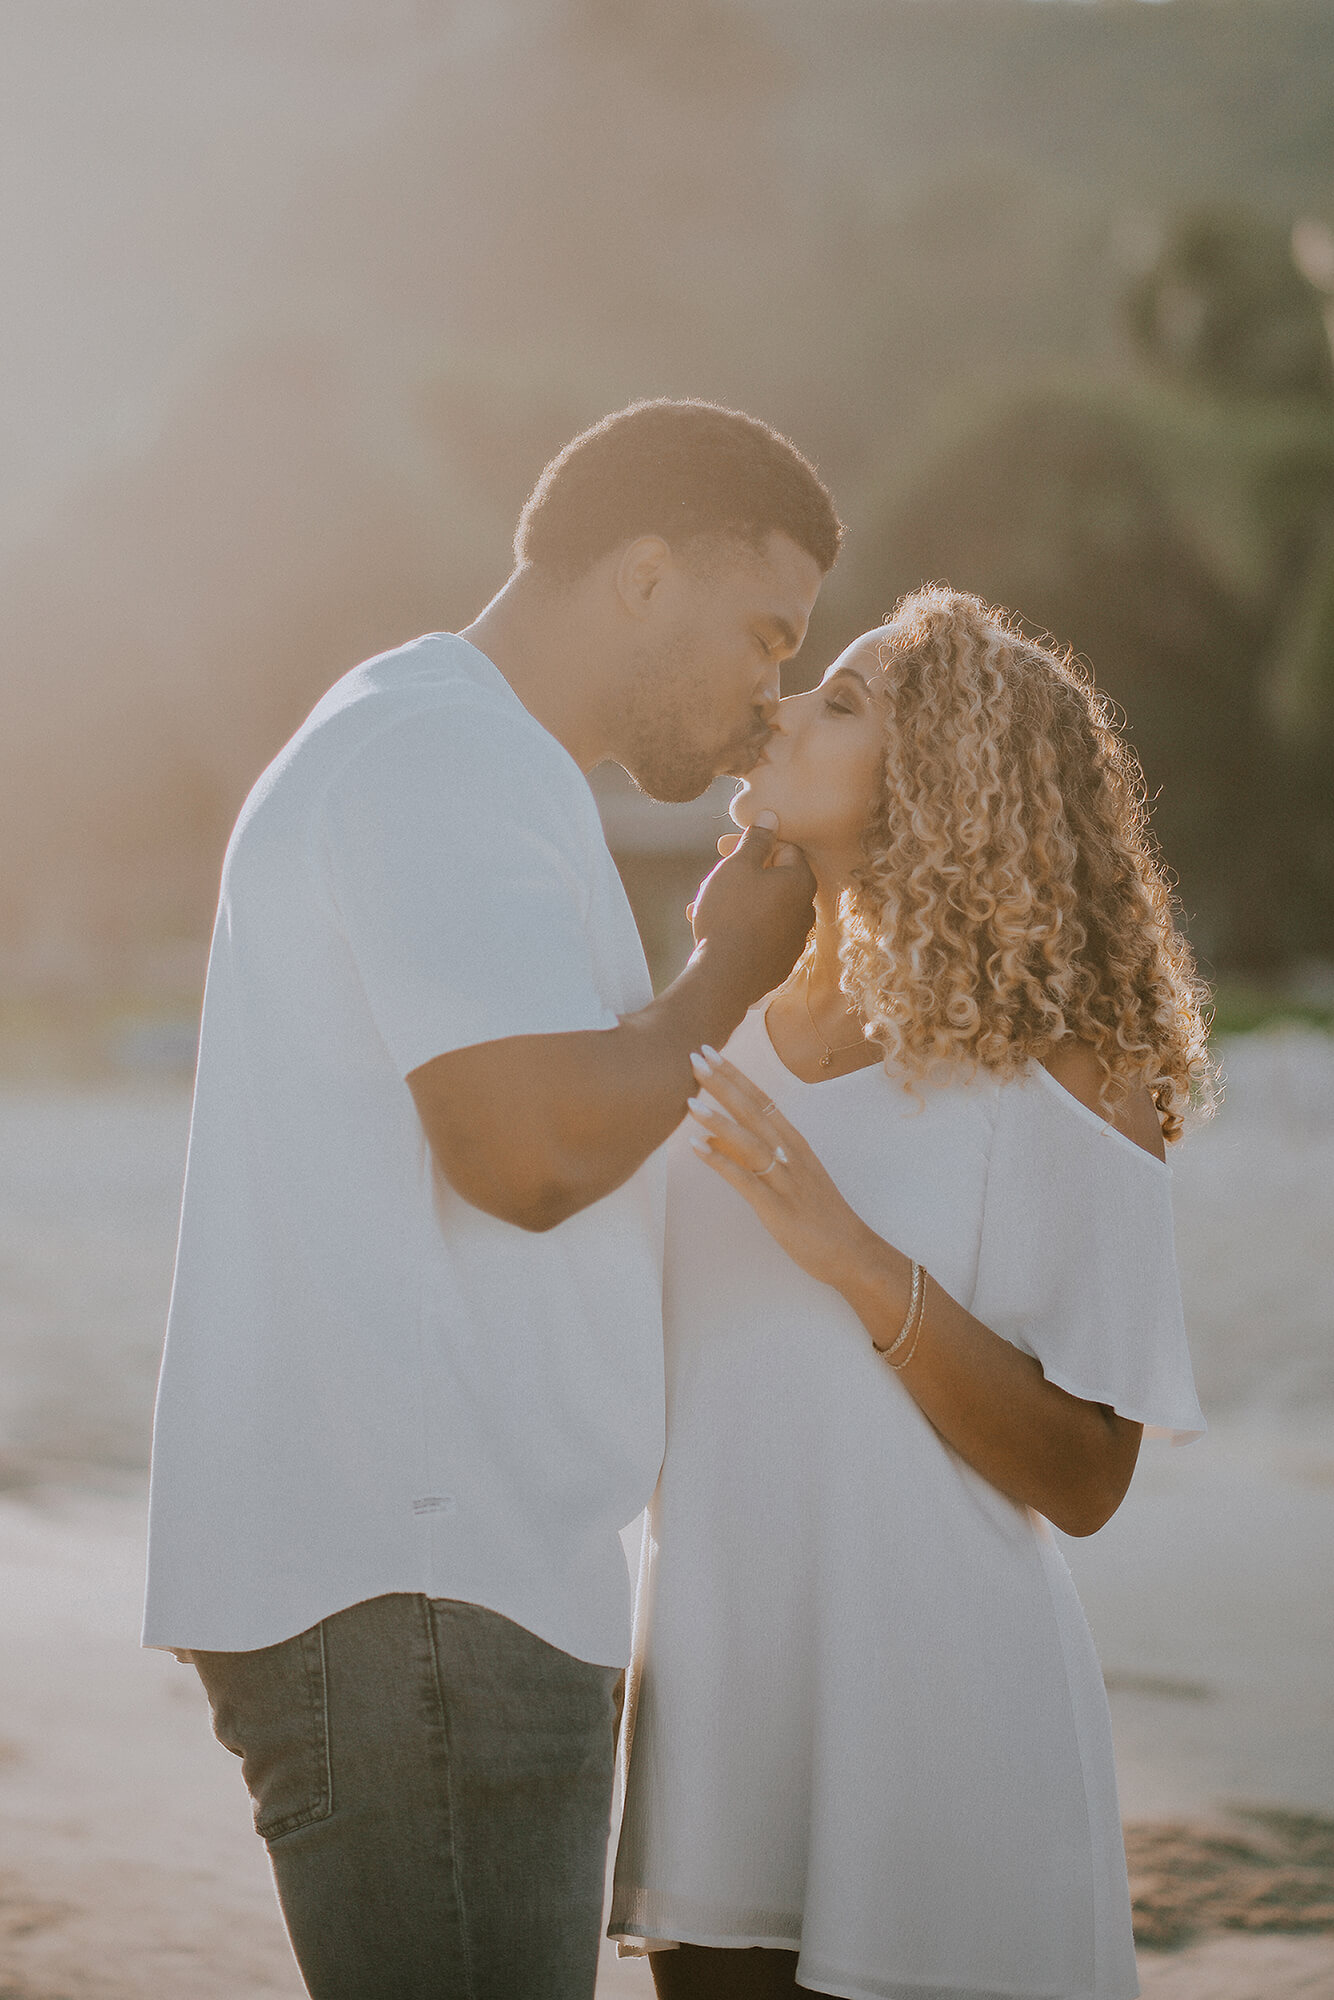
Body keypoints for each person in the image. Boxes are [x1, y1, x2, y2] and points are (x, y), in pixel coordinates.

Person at [142, 398, 842, 2000]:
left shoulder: (458, 751)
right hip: (422, 1580)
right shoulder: (439, 754)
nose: (767, 693)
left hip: (435, 1577)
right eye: (764, 632)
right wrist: (725, 977)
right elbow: (523, 1154)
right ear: (644, 575)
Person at [609, 587, 1214, 2000]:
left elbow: (1082, 1476)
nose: (781, 710)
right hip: (714, 1689)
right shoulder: (723, 1030)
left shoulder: (1068, 1066)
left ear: (940, 774)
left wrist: (856, 1259)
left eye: (842, 701)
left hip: (939, 1706)